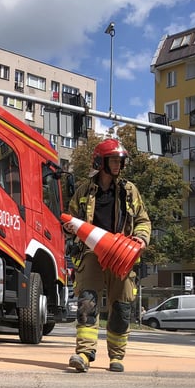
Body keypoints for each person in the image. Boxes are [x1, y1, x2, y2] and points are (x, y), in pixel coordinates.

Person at [63, 139, 151, 373]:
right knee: (87, 301)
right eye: (113, 160)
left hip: (122, 255)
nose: (118, 165)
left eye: (120, 161)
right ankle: (84, 353)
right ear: (100, 162)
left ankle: (116, 356)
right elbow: (72, 219)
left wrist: (141, 238)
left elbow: (143, 220)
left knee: (121, 307)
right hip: (91, 253)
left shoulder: (130, 191)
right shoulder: (84, 190)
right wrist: (69, 228)